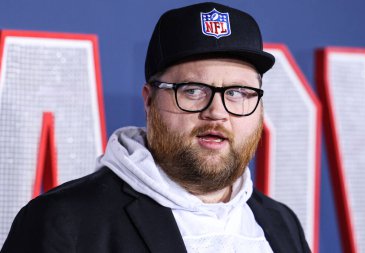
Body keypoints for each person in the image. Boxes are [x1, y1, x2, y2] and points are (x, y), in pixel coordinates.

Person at [1, 2, 310, 253]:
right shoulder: (63, 221)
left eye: (238, 93)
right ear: (149, 101)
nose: (217, 113)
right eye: (192, 90)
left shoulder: (281, 223)